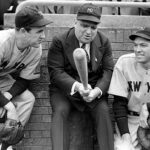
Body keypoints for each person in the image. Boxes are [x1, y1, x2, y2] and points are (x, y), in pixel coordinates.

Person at [47, 3, 114, 150]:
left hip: (93, 89)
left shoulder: (104, 42)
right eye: (84, 25)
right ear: (75, 22)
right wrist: (77, 87)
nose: (89, 31)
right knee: (60, 111)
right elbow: (56, 72)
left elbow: (108, 71)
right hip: (65, 91)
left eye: (93, 27)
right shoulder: (60, 41)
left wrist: (96, 91)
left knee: (103, 112)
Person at [0, 6, 51, 150]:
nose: (43, 36)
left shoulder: (35, 48)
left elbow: (25, 80)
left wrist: (8, 96)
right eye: (39, 31)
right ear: (23, 31)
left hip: (2, 79)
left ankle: (5, 144)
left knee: (27, 99)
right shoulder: (2, 42)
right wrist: (8, 105)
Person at [108, 27, 150, 150]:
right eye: (135, 45)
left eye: (143, 45)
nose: (138, 50)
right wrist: (125, 136)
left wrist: (147, 107)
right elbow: (119, 103)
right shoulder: (125, 62)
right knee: (123, 148)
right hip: (131, 119)